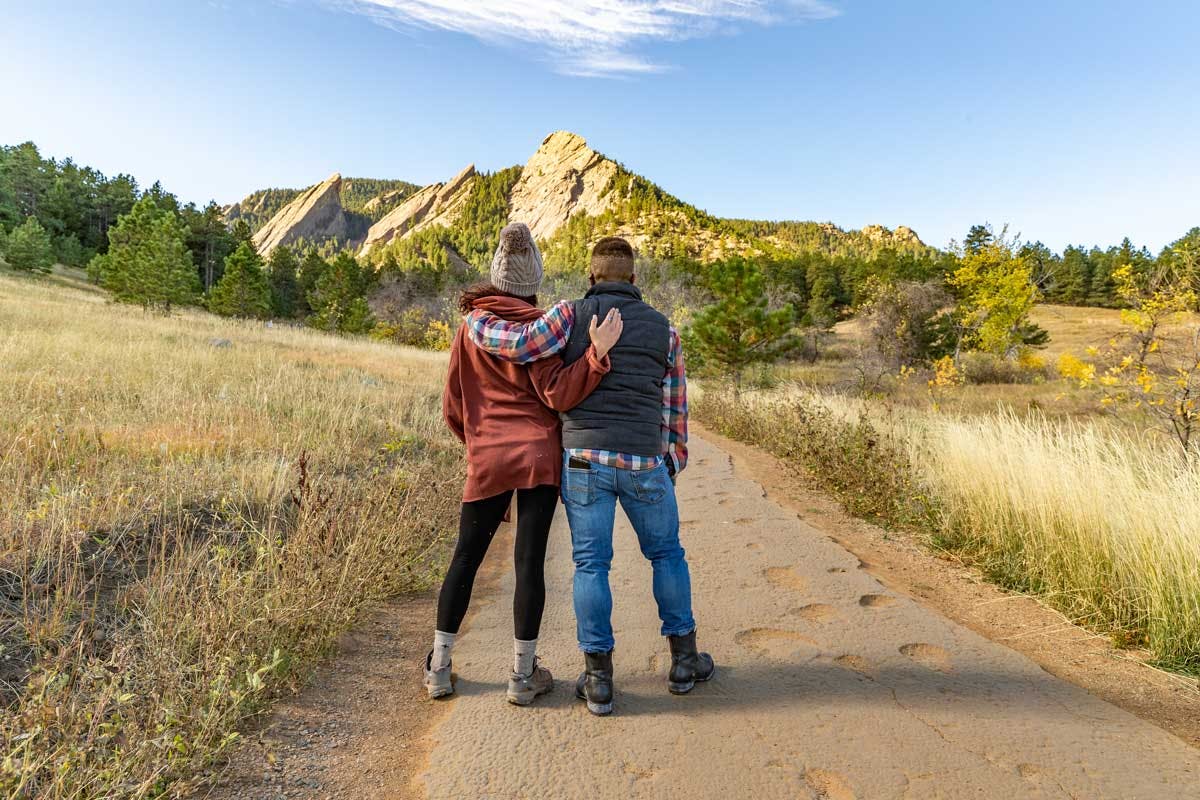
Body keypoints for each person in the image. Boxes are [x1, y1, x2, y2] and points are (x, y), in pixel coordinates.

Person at [464, 236, 714, 716]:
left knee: (591, 565)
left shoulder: (568, 315)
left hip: (582, 459)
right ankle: (684, 662)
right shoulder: (665, 330)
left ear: (592, 275)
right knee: (666, 555)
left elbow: (517, 345)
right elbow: (675, 410)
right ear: (635, 280)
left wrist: (475, 318)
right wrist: (670, 464)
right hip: (643, 460)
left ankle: (599, 679)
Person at [430, 223, 624, 706]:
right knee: (528, 563)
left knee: (466, 558)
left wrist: (477, 443)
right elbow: (558, 392)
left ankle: (440, 667)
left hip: (488, 457)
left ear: (496, 280)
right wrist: (597, 360)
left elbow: (453, 404)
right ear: (533, 280)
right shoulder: (541, 331)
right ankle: (522, 675)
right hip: (538, 456)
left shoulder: (471, 329)